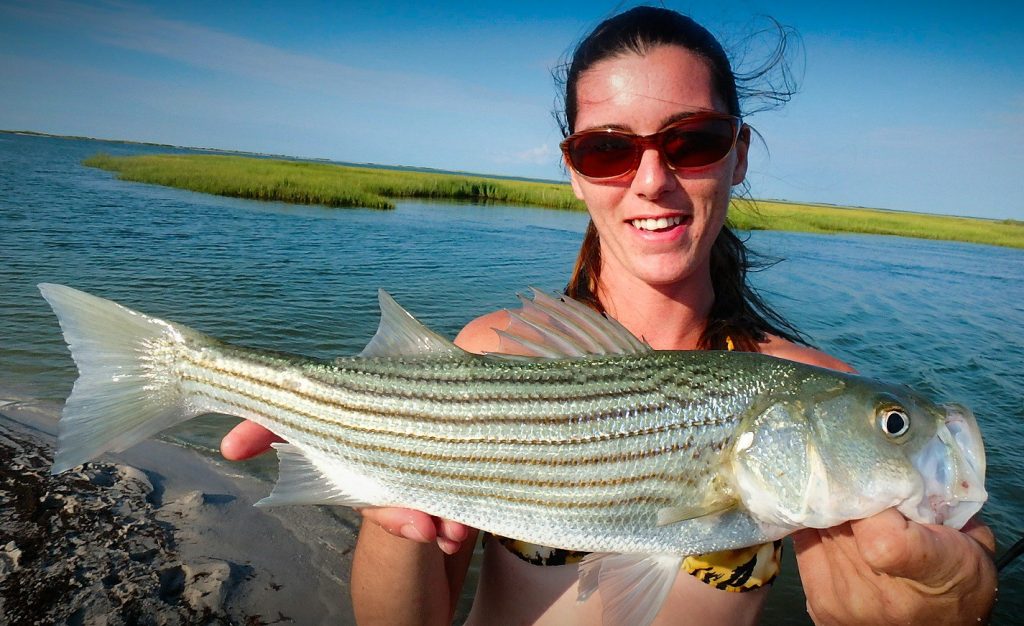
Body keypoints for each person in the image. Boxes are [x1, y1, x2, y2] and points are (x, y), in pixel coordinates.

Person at [221, 6, 997, 624]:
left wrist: (945, 601)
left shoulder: (812, 384)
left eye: (693, 140)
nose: (651, 180)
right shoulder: (492, 351)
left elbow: (918, 573)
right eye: (607, 150)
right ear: (573, 171)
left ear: (740, 154)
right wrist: (385, 505)